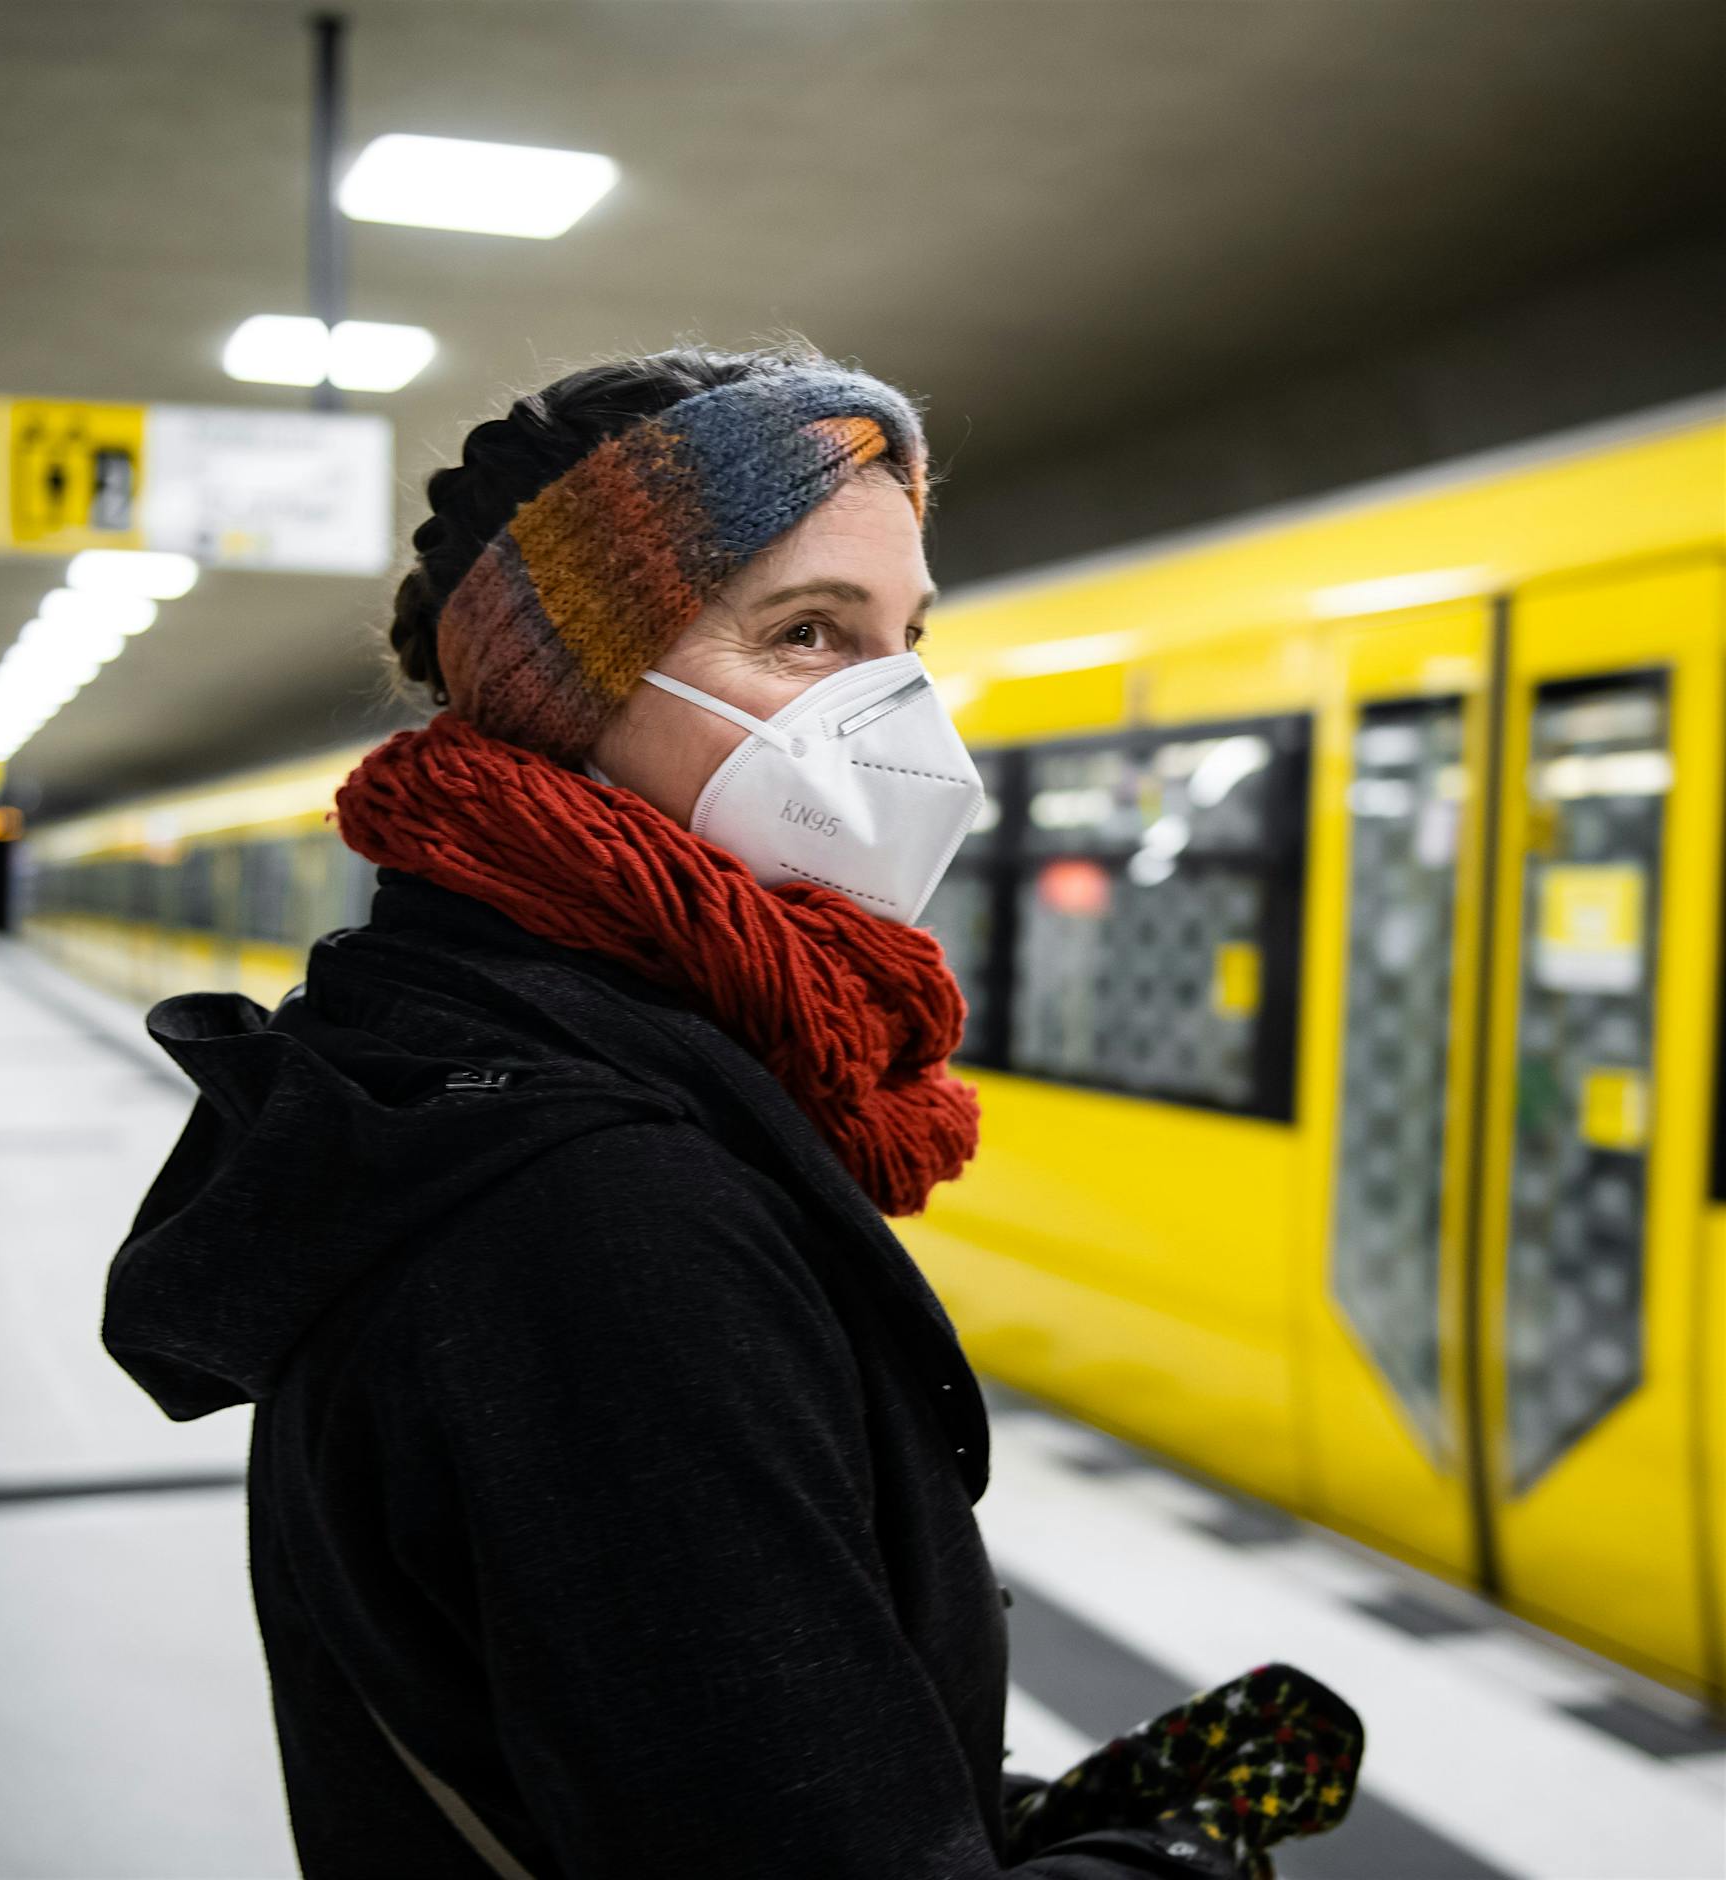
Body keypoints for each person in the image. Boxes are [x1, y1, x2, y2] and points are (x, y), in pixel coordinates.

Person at [102, 341, 1360, 1878]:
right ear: (565, 695)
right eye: (806, 634)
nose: (897, 714)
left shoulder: (448, 1072)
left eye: (907, 641)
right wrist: (1173, 1859)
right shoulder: (603, 1225)